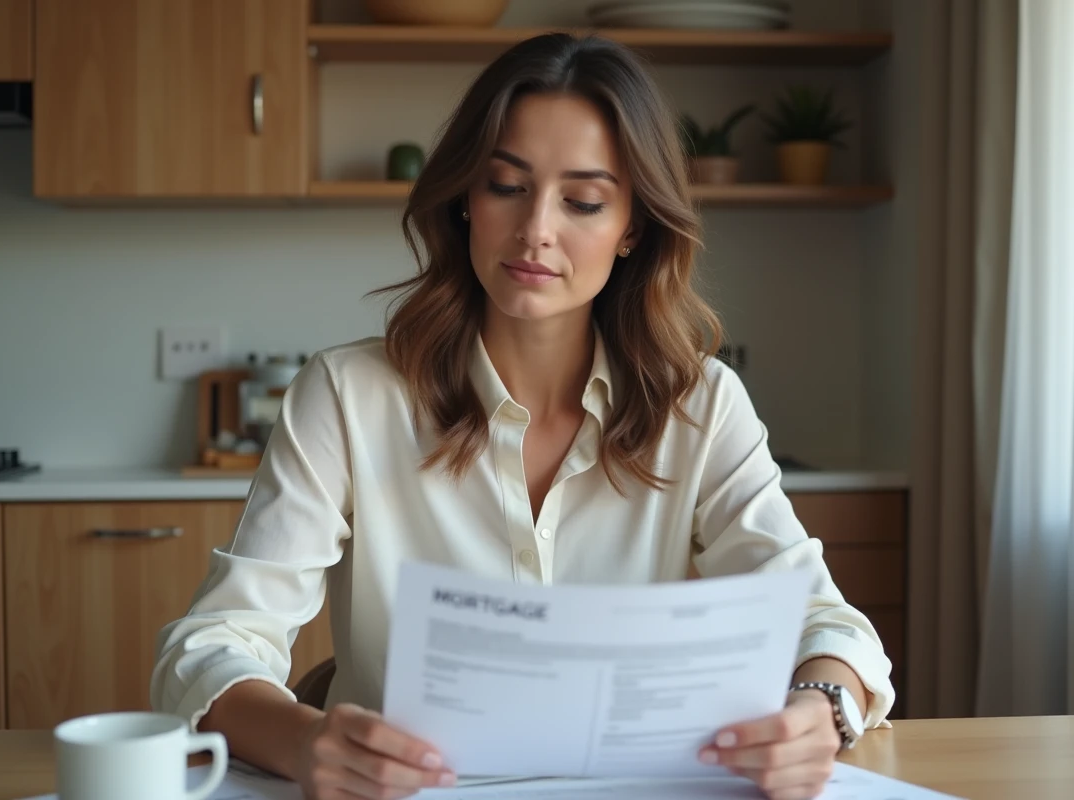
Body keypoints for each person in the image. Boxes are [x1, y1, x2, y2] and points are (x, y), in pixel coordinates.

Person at [151, 32, 894, 800]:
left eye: (583, 201)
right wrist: (308, 741)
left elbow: (828, 625)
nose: (537, 228)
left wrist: (822, 705)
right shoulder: (346, 395)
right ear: (466, 200)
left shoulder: (699, 403)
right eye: (507, 186)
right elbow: (209, 647)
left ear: (633, 227)